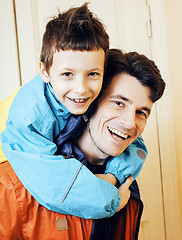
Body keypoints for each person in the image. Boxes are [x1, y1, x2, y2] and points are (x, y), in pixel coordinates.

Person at [0, 3, 148, 218]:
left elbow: (136, 144)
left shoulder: (84, 100)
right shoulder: (30, 115)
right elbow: (55, 186)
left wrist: (114, 176)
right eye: (68, 74)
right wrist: (114, 200)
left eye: (93, 74)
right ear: (45, 72)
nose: (81, 88)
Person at [0, 49, 165, 239]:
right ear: (89, 101)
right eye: (119, 103)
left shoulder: (126, 183)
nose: (130, 123)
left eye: (141, 112)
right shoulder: (13, 185)